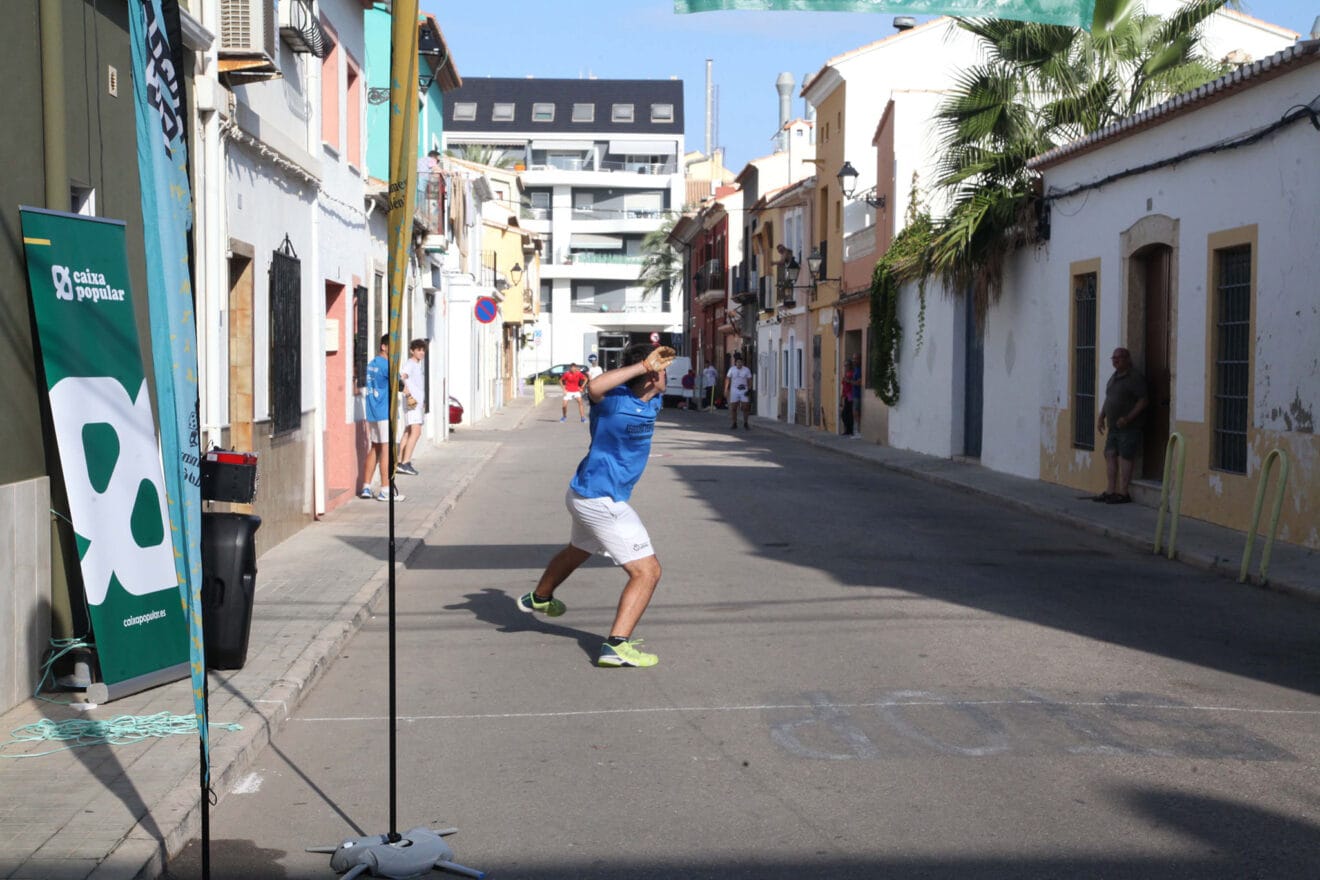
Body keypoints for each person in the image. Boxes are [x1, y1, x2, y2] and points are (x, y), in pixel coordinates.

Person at [517, 343, 677, 668]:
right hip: (599, 499)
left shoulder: (654, 401)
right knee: (647, 571)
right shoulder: (612, 402)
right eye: (660, 371)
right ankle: (616, 645)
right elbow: (594, 386)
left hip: (585, 493)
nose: (665, 375)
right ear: (647, 374)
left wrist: (651, 366)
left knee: (578, 549)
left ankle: (540, 597)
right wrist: (644, 365)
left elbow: (645, 386)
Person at [1094, 347, 1149, 504]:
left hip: (1129, 427)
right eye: (1114, 358)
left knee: (1125, 457)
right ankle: (1110, 490)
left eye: (1119, 357)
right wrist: (1101, 416)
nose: (1116, 360)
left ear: (1127, 359)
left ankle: (1124, 493)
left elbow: (1143, 400)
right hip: (1113, 427)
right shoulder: (1114, 377)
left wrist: (1128, 418)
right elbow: (1108, 398)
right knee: (1110, 454)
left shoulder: (1134, 378)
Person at [360, 334, 404, 502]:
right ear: (384, 347)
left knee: (375, 448)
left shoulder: (371, 364)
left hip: (372, 412)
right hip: (385, 412)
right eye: (391, 347)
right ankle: (385, 489)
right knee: (387, 450)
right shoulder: (388, 366)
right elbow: (399, 385)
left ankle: (366, 486)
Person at [396, 339, 427, 476]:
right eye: (418, 350)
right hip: (412, 402)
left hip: (415, 403)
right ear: (412, 351)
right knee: (416, 431)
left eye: (423, 350)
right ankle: (405, 462)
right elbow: (401, 376)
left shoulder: (416, 365)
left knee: (408, 431)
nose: (421, 352)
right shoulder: (411, 364)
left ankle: (399, 461)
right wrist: (407, 392)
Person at [725, 352, 753, 429]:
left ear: (742, 363)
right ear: (735, 363)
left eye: (741, 362)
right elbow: (728, 379)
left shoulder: (746, 370)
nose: (739, 364)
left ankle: (746, 422)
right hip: (734, 390)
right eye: (738, 362)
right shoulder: (732, 369)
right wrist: (726, 389)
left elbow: (750, 380)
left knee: (745, 407)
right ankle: (734, 423)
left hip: (744, 390)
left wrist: (750, 388)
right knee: (733, 407)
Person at [840, 355, 857, 436]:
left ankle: (849, 430)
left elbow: (853, 383)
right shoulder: (846, 374)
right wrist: (841, 397)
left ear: (850, 366)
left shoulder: (852, 373)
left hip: (851, 395)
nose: (845, 367)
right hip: (847, 395)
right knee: (844, 414)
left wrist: (847, 380)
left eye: (847, 365)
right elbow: (844, 387)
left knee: (848, 413)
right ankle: (848, 429)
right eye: (845, 365)